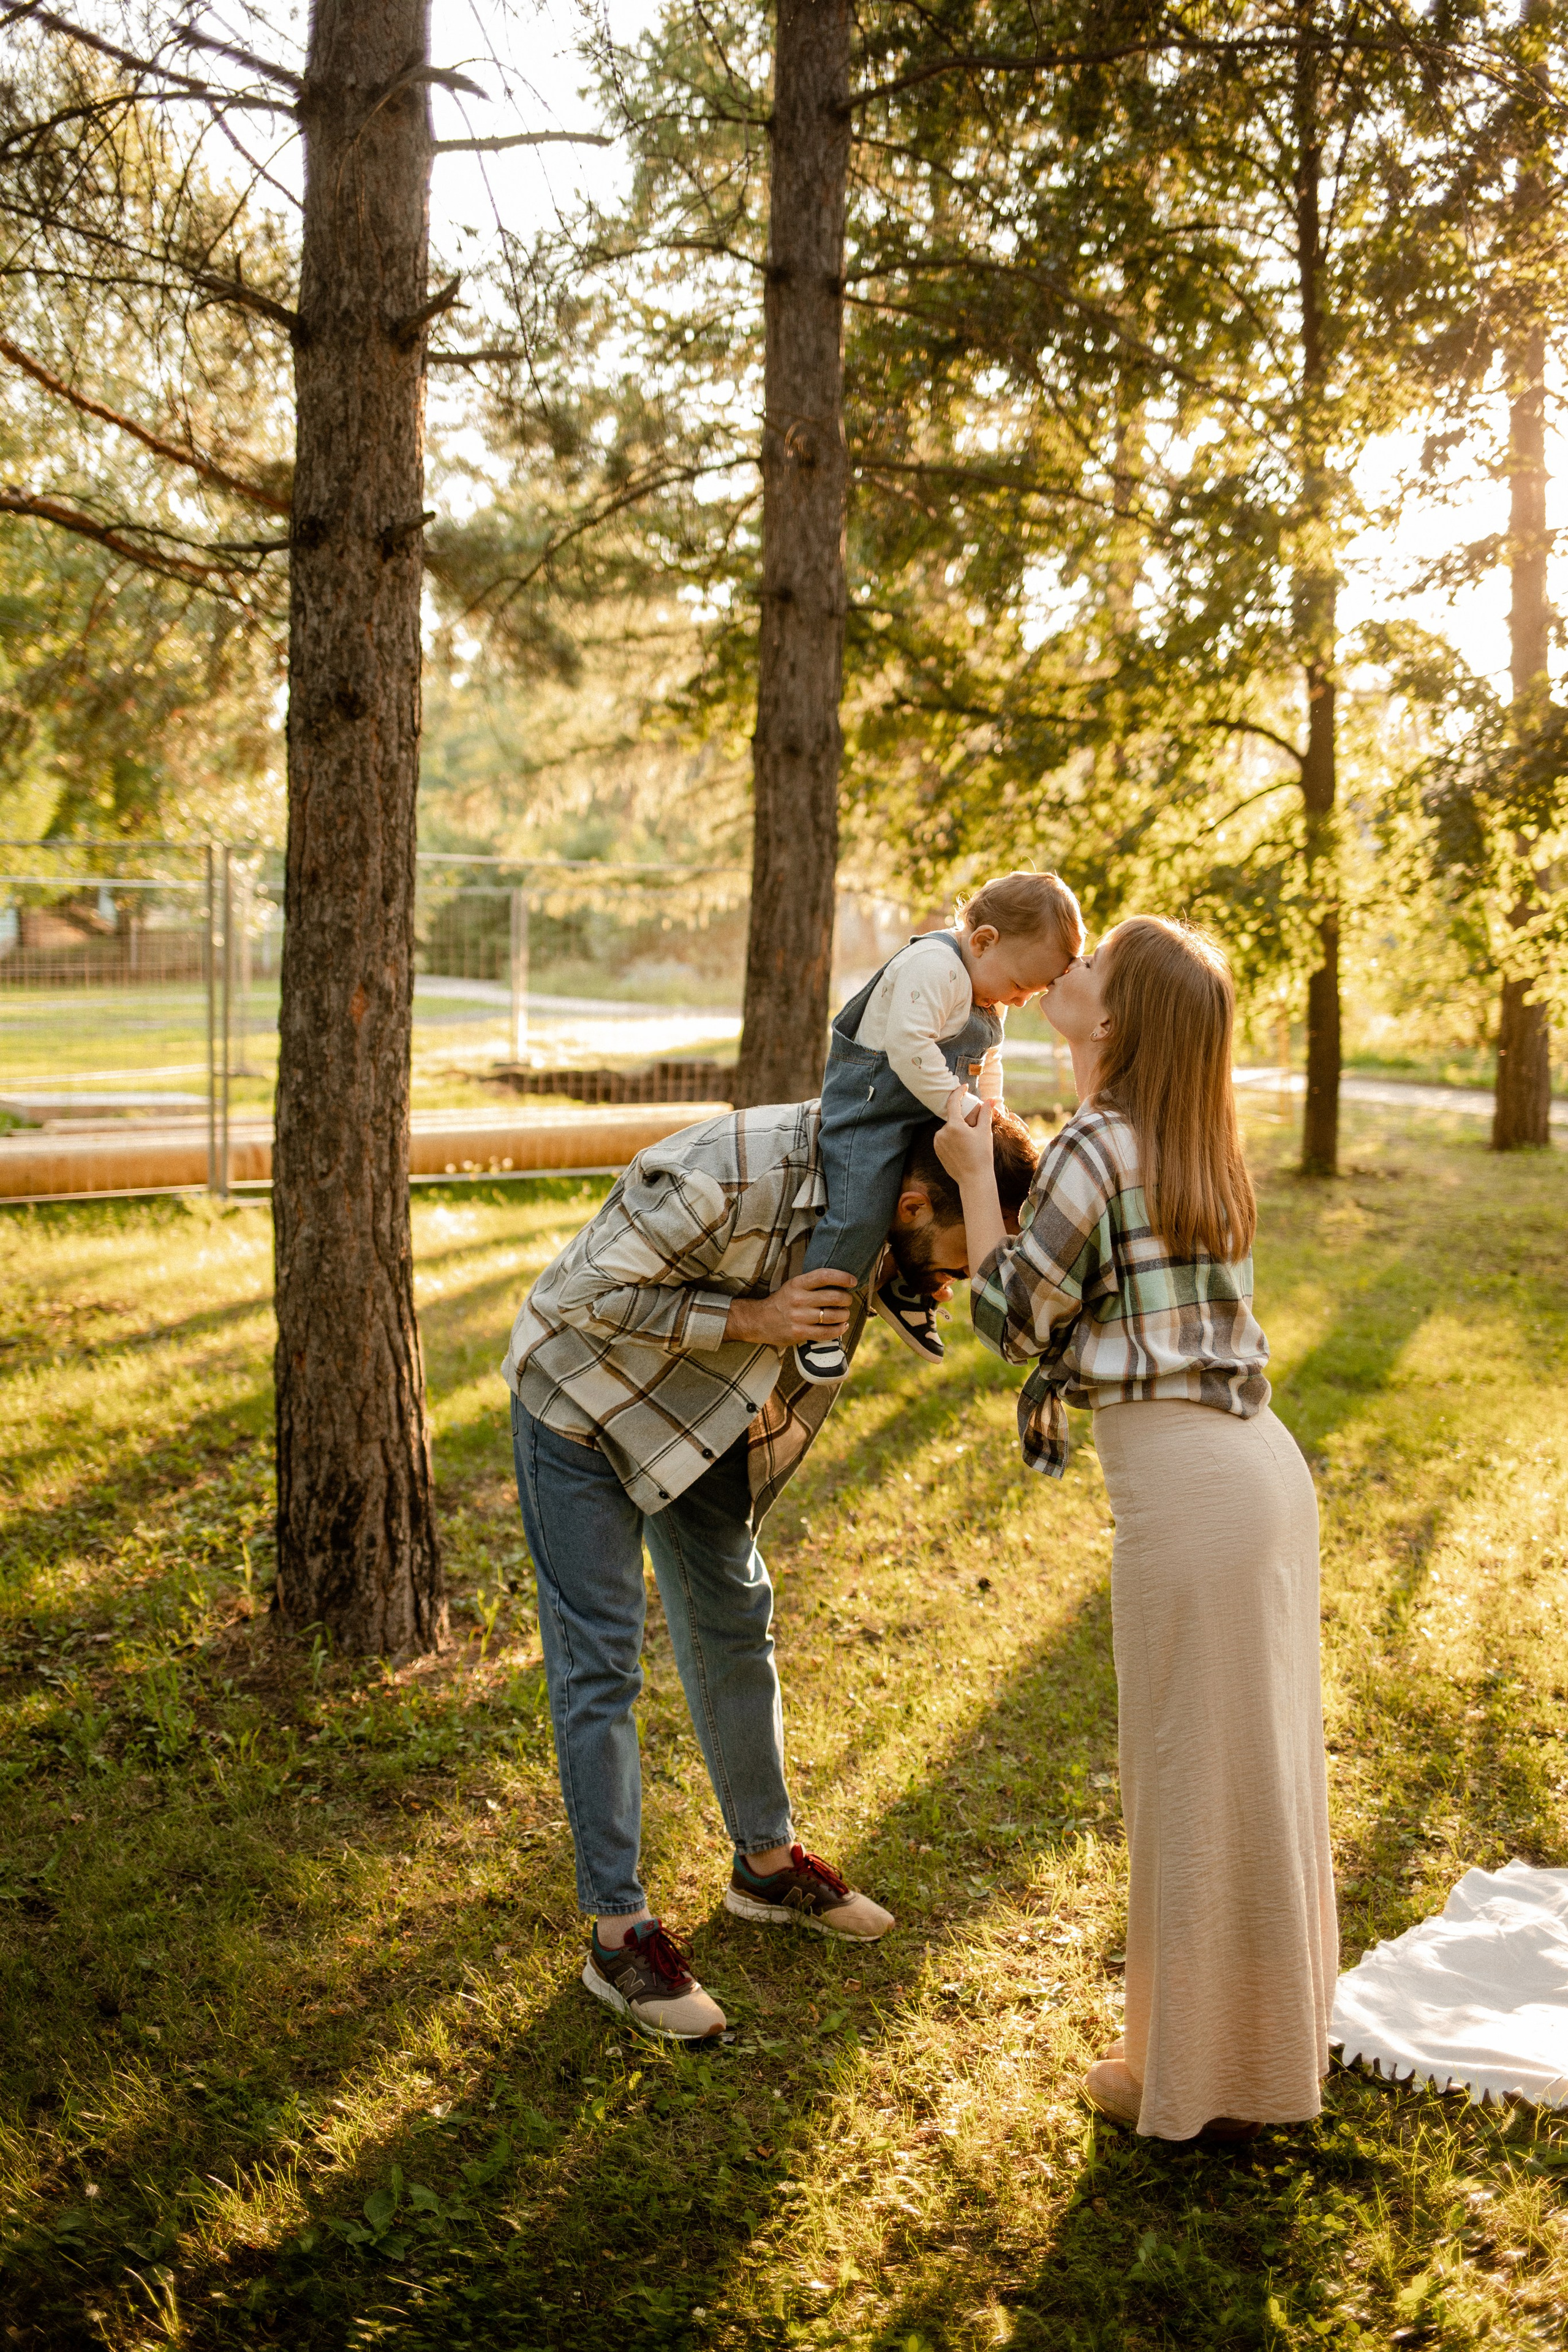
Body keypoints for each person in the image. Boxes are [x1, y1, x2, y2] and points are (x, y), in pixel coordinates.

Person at [502, 1095, 1041, 2041]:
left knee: (736, 1617)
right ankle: (618, 1935)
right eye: (965, 1250)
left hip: (698, 1412)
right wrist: (757, 1316)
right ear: (914, 1205)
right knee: (602, 1663)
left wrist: (911, 1276)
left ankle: (764, 1864)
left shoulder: (879, 1200)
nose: (967, 1271)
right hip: (582, 1402)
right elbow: (578, 1298)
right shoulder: (727, 1177)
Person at [934, 916, 1336, 2141]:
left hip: (1192, 1493)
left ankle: (1201, 2085)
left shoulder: (1097, 1143)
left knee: (1189, 1783)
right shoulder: (1189, 1138)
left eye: (1094, 964)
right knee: (1249, 1776)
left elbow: (1012, 1318)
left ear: (1115, 1019)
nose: (1072, 968)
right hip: (1261, 1474)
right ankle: (1242, 2054)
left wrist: (970, 1178)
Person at [793, 870, 1084, 1385]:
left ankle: (907, 1283)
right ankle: (818, 1318)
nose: (1021, 1001)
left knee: (957, 1198)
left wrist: (990, 1110)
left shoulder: (989, 988)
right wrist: (959, 1104)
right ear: (984, 941)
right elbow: (909, 1046)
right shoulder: (935, 968)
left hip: (928, 1110)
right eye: (1021, 986)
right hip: (872, 1110)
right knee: (861, 1211)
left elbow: (988, 1057)